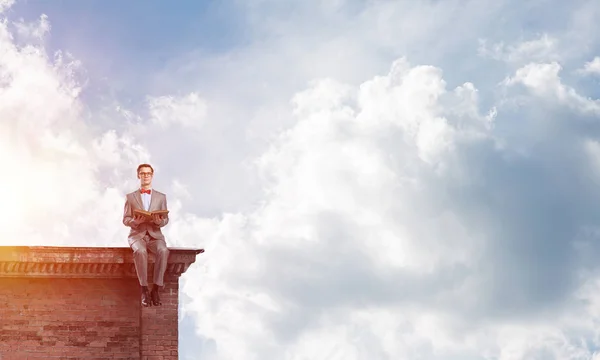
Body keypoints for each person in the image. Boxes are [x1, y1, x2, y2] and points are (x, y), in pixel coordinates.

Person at [122, 163, 170, 307]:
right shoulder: (130, 197)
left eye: (148, 173)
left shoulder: (161, 197)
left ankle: (156, 288)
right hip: (137, 235)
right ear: (138, 175)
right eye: (143, 173)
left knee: (163, 250)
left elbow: (166, 219)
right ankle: (144, 289)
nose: (145, 176)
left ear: (152, 175)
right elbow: (125, 219)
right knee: (140, 251)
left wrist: (159, 222)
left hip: (155, 235)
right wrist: (135, 222)